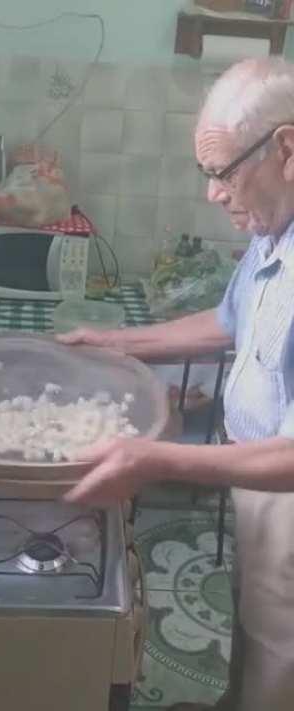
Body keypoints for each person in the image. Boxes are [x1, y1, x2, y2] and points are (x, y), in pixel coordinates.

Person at [58, 57, 294, 711]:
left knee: (283, 656)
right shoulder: (276, 232)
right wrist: (114, 341)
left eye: (222, 173)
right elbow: (226, 321)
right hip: (257, 479)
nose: (213, 194)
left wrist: (153, 456)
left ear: (287, 149)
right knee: (256, 631)